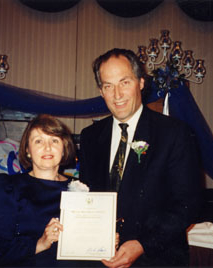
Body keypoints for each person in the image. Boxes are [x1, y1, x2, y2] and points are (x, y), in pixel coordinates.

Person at [79, 48, 202, 267]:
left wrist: (143, 244)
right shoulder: (90, 137)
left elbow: (189, 205)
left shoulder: (174, 133)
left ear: (141, 82)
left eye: (124, 82)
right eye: (108, 86)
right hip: (100, 259)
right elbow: (88, 199)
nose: (117, 95)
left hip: (155, 259)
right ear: (101, 91)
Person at [0, 114, 77, 267]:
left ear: (64, 148)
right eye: (38, 141)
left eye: (54, 140)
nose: (47, 147)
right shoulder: (6, 188)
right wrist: (40, 243)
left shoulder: (80, 190)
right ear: (27, 150)